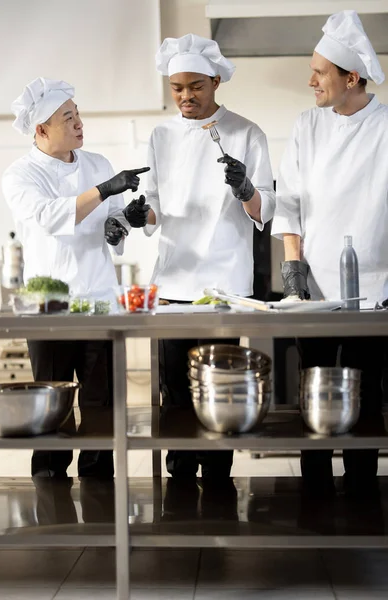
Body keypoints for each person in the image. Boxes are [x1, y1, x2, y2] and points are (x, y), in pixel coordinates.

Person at [138, 34, 275, 485]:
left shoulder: (246, 131)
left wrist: (245, 189)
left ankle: (218, 475)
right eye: (176, 87)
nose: (184, 96)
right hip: (174, 280)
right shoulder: (160, 135)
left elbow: (265, 209)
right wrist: (141, 214)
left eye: (194, 86)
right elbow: (154, 205)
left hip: (222, 284)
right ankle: (178, 474)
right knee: (175, 388)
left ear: (215, 81)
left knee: (219, 384)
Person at [2, 77, 150, 478]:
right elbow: (53, 217)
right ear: (41, 129)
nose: (79, 123)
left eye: (78, 113)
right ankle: (50, 490)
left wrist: (124, 221)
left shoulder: (97, 163)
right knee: (51, 403)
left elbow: (107, 224)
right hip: (48, 305)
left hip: (98, 299)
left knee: (103, 404)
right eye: (68, 118)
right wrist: (104, 191)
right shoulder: (20, 175)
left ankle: (101, 489)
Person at [271, 10, 387, 498]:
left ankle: (362, 497)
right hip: (313, 289)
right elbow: (290, 203)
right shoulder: (306, 126)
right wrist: (293, 270)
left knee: (366, 395)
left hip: (376, 290)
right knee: (313, 394)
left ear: (352, 77)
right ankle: (315, 495)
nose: (311, 80)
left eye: (320, 72)